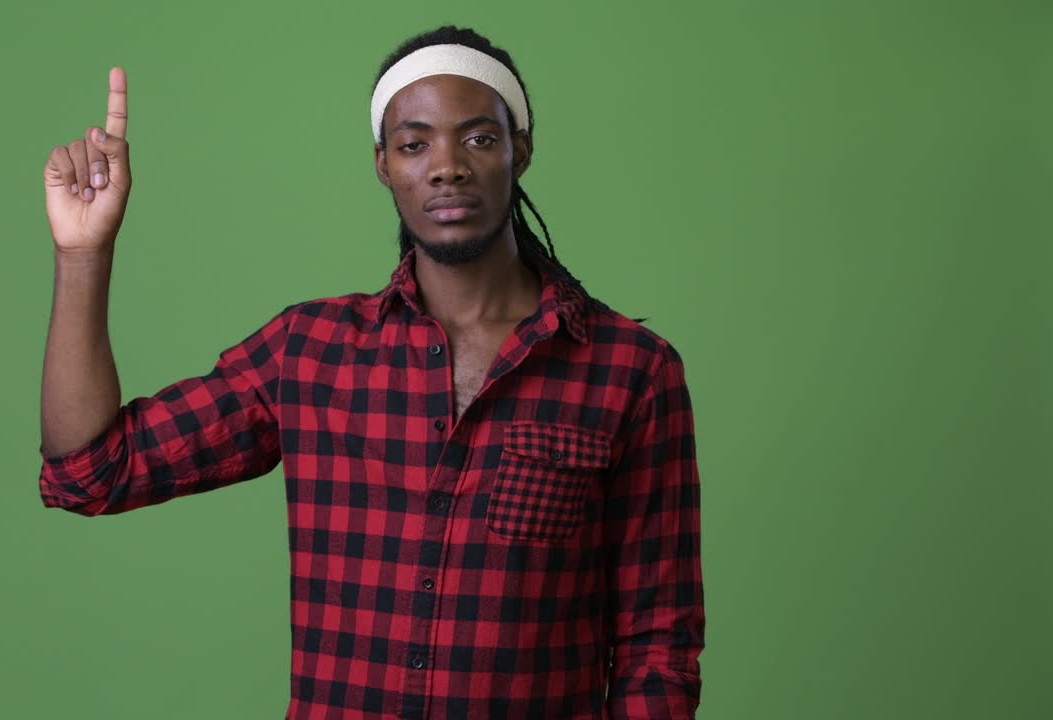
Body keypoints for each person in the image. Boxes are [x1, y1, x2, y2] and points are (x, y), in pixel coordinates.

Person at [38, 25, 705, 720]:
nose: (446, 166)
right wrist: (83, 255)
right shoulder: (310, 352)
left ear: (521, 150)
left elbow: (657, 648)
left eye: (478, 138)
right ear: (384, 164)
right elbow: (92, 471)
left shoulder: (631, 371)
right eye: (415, 144)